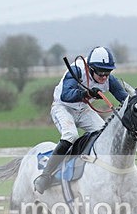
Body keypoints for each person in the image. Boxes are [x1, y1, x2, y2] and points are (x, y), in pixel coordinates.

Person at [33, 46, 129, 194]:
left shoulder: (108, 79)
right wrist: (85, 93)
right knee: (71, 135)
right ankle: (45, 176)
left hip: (83, 109)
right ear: (91, 68)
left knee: (104, 134)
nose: (104, 77)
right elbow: (66, 94)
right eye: (101, 73)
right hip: (63, 108)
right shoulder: (77, 70)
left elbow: (124, 97)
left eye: (108, 72)